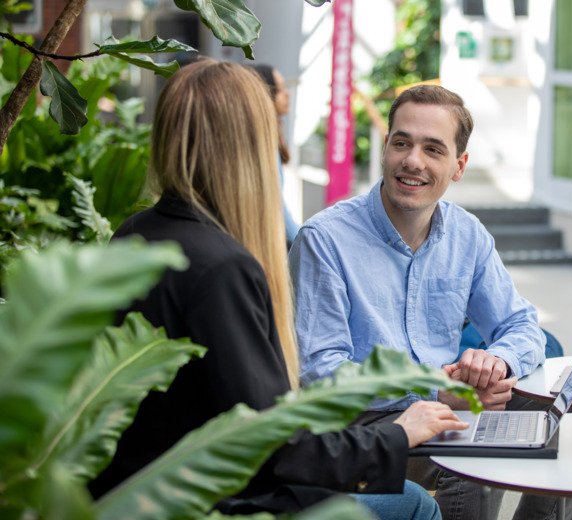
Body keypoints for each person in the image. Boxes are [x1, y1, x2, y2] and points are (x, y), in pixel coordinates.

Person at [87, 60, 469, 520]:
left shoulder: (135, 233)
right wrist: (400, 431)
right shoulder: (223, 269)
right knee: (413, 505)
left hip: (137, 486)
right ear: (250, 147)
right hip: (203, 500)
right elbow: (272, 446)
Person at [290, 85, 572, 520]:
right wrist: (434, 390)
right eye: (401, 143)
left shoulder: (468, 235)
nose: (412, 161)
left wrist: (495, 364)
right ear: (385, 148)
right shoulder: (325, 240)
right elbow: (321, 374)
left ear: (458, 166)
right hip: (361, 426)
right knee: (470, 449)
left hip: (446, 406)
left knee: (555, 424)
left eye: (433, 149)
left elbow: (521, 324)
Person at [249, 63, 300, 247]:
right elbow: (275, 206)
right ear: (265, 94)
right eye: (280, 89)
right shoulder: (264, 143)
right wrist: (303, 241)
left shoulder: (263, 136)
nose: (287, 94)